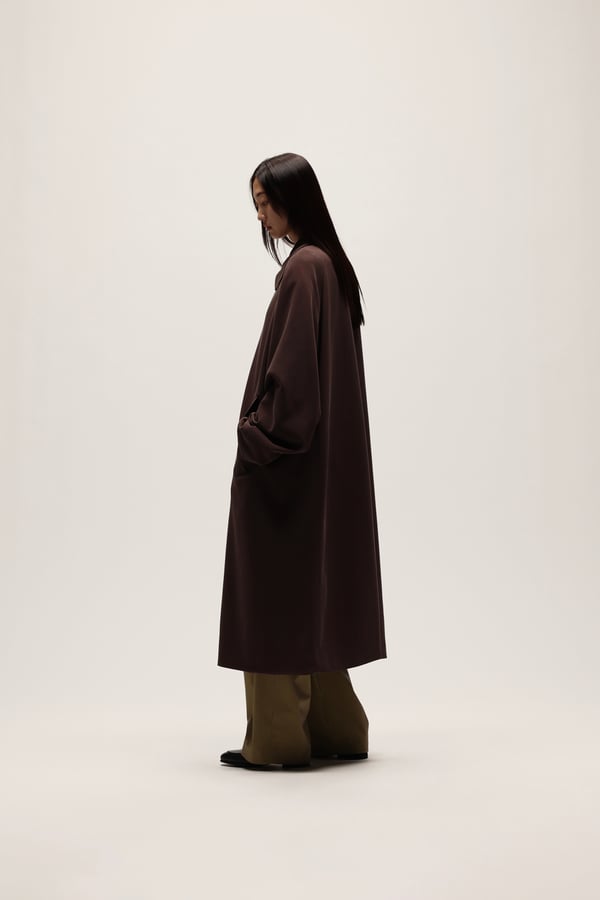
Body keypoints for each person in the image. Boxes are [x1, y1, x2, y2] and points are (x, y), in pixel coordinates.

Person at [217, 152, 386, 770]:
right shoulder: (331, 267)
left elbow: (291, 385)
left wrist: (255, 436)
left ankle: (277, 741)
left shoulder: (303, 270)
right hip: (323, 467)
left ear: (296, 198)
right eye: (255, 205)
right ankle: (336, 729)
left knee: (274, 592)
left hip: (288, 468)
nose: (260, 215)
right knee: (312, 589)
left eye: (266, 202)